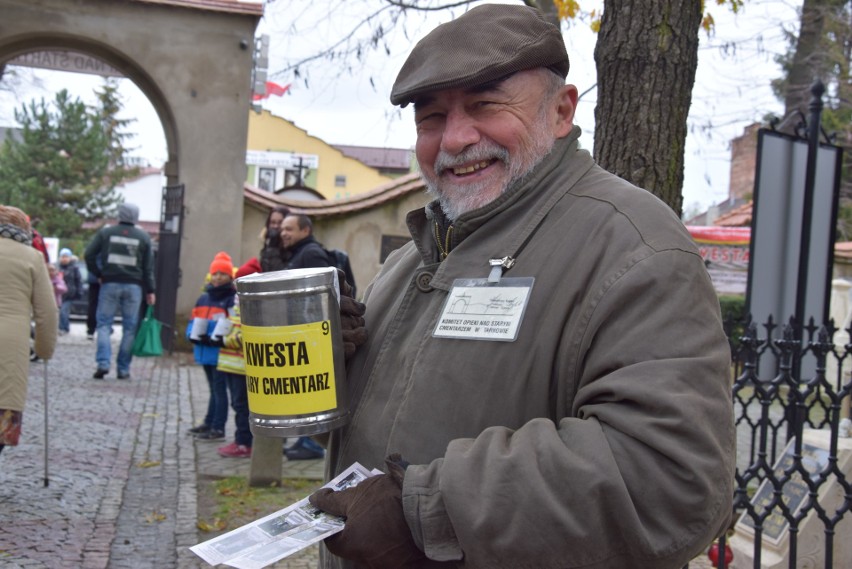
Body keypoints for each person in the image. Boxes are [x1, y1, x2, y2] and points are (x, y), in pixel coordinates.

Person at [307, 5, 735, 569]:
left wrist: (423, 514)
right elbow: (379, 433)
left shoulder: (634, 245)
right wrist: (322, 370)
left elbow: (667, 480)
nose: (455, 139)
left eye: (486, 105)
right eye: (431, 118)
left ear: (561, 111)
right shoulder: (415, 255)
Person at [0, 205, 57, 456]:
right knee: (3, 406)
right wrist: (44, 350)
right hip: (10, 344)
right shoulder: (32, 257)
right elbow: (47, 312)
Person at [278, 213, 333, 461]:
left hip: (309, 332)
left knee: (309, 390)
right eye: (282, 229)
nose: (283, 233)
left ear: (305, 231)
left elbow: (323, 289)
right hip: (300, 330)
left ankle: (310, 444)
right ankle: (305, 439)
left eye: (289, 229)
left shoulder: (311, 253)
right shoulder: (297, 253)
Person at [84, 202, 156, 380]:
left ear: (119, 215)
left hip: (109, 284)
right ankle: (123, 369)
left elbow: (89, 254)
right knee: (130, 328)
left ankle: (103, 363)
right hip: (134, 286)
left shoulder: (106, 233)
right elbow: (148, 267)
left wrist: (99, 273)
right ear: (136, 216)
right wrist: (151, 290)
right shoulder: (143, 237)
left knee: (103, 324)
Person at [186, 252, 237, 441]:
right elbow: (193, 319)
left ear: (230, 276)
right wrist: (191, 335)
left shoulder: (231, 299)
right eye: (215, 273)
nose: (218, 277)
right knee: (213, 389)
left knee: (219, 389)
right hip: (204, 350)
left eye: (222, 274)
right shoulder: (204, 298)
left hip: (220, 352)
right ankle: (209, 422)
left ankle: (218, 427)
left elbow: (233, 322)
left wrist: (216, 337)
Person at [214, 295, 252, 458]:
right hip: (230, 364)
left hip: (240, 367)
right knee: (237, 404)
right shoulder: (235, 310)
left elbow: (247, 336)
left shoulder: (248, 310)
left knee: (242, 406)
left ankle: (244, 443)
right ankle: (240, 440)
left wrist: (226, 340)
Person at [235, 205, 291, 278]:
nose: (276, 226)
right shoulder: (268, 244)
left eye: (280, 222)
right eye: (273, 222)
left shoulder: (290, 246)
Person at [58, 248, 83, 335]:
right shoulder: (57, 268)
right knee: (59, 312)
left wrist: (79, 292)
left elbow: (78, 281)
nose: (64, 259)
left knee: (64, 311)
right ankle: (62, 327)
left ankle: (64, 328)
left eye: (66, 257)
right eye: (62, 257)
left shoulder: (74, 268)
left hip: (69, 294)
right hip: (58, 294)